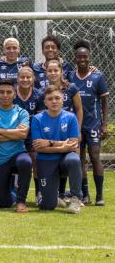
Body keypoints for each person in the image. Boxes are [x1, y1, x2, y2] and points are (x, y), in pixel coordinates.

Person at [68, 40, 109, 206]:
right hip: (76, 125)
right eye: (79, 57)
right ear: (75, 59)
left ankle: (99, 195)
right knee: (79, 159)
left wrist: (104, 124)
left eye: (85, 57)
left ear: (89, 58)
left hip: (93, 124)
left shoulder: (97, 76)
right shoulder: (70, 76)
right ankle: (85, 195)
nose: (82, 60)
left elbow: (105, 101)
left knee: (95, 156)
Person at [0, 79, 32, 213]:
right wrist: (13, 132)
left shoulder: (22, 113)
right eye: (2, 92)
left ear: (14, 94)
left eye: (9, 92)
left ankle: (21, 202)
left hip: (17, 155)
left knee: (26, 162)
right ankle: (13, 190)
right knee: (4, 204)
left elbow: (23, 135)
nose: (5, 95)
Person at [31, 85, 82, 213]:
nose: (54, 101)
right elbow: (39, 148)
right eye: (50, 99)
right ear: (45, 102)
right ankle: (53, 198)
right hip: (46, 160)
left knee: (75, 160)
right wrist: (63, 146)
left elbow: (73, 144)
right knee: (48, 206)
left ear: (62, 100)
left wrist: (50, 143)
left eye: (57, 98)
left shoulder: (70, 117)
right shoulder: (37, 119)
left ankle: (75, 199)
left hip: (66, 159)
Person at [38, 59, 83, 200]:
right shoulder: (42, 92)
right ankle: (59, 194)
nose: (53, 73)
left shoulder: (71, 88)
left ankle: (77, 195)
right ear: (46, 73)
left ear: (61, 71)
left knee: (72, 159)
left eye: (56, 70)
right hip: (51, 131)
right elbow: (40, 114)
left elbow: (79, 109)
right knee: (55, 159)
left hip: (69, 129)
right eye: (50, 70)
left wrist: (78, 130)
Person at [14, 66, 42, 200]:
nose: (25, 79)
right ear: (17, 78)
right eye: (22, 77)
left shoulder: (39, 95)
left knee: (36, 162)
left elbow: (41, 120)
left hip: (33, 134)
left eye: (28, 77)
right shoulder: (11, 93)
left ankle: (38, 194)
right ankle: (14, 193)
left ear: (33, 79)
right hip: (14, 135)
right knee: (16, 163)